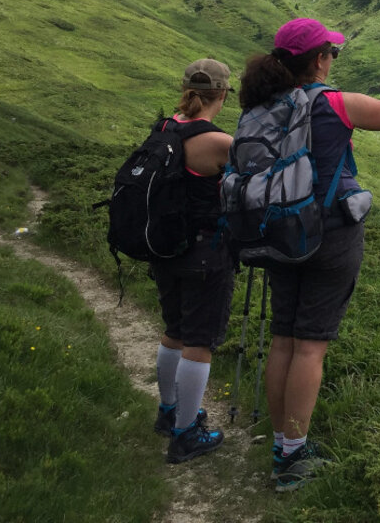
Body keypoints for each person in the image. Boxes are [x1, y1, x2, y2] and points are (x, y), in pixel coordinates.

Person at [237, 17, 380, 492]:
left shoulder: (261, 106)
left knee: (284, 338)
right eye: (332, 53)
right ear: (320, 60)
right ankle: (293, 457)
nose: (333, 59)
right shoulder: (336, 103)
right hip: (329, 234)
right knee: (311, 344)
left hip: (278, 231)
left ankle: (282, 444)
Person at [151, 59, 235, 463]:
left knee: (175, 331)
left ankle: (168, 411)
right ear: (223, 94)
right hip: (205, 252)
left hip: (165, 248)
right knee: (199, 343)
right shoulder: (219, 143)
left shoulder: (164, 128)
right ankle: (186, 434)